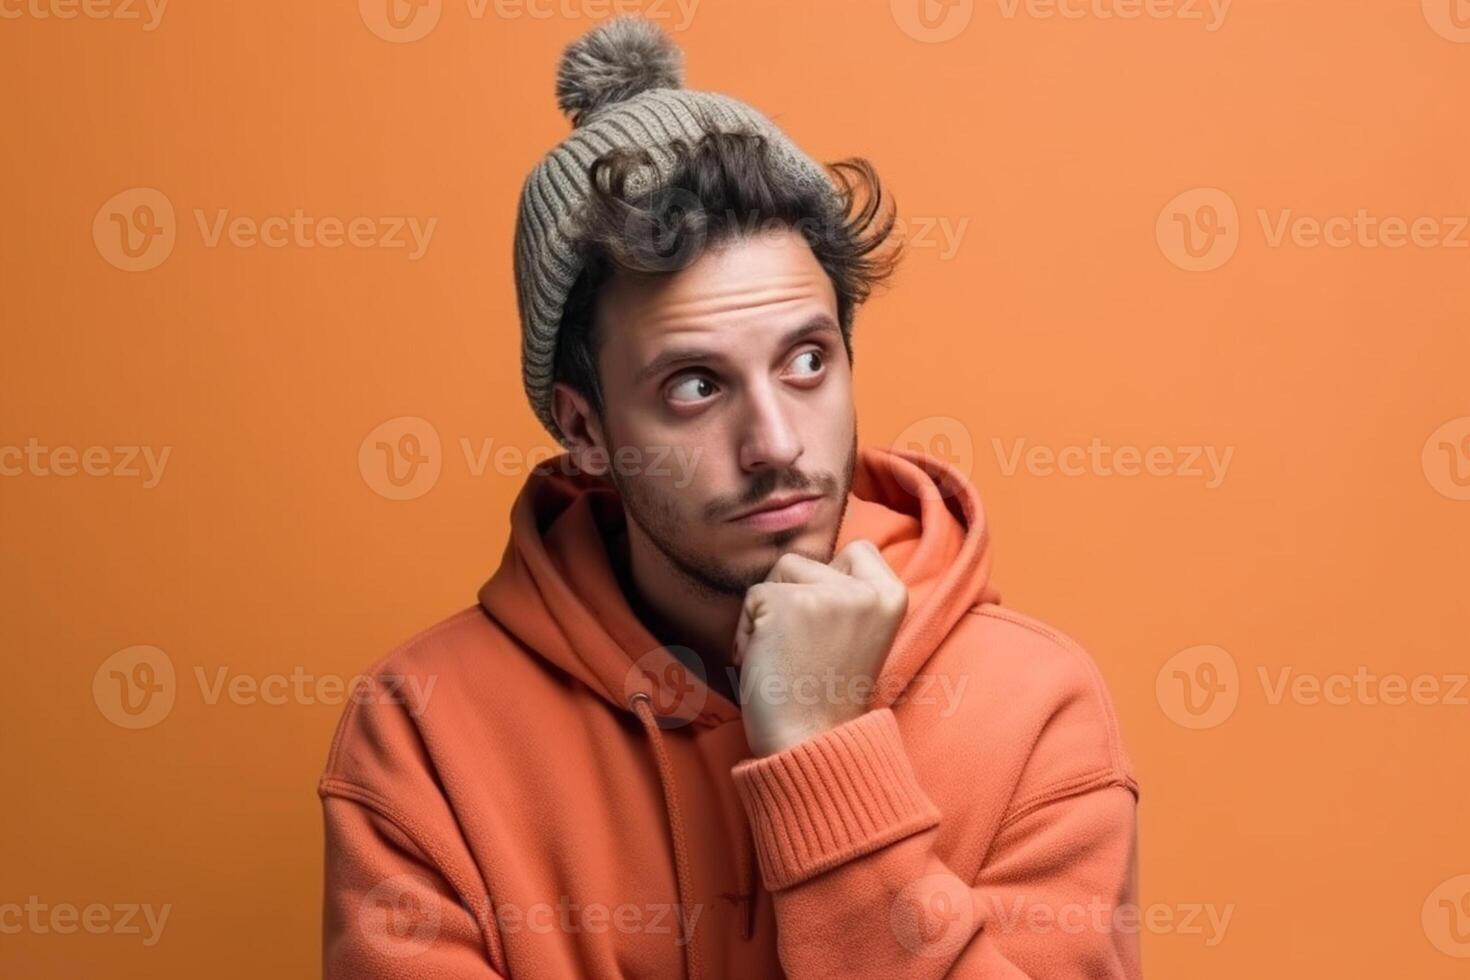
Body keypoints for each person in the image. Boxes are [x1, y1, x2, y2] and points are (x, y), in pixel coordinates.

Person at [320, 15, 1140, 978]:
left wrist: (824, 754)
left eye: (806, 361)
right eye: (697, 386)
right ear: (584, 429)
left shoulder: (1033, 704)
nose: (778, 444)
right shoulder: (422, 732)